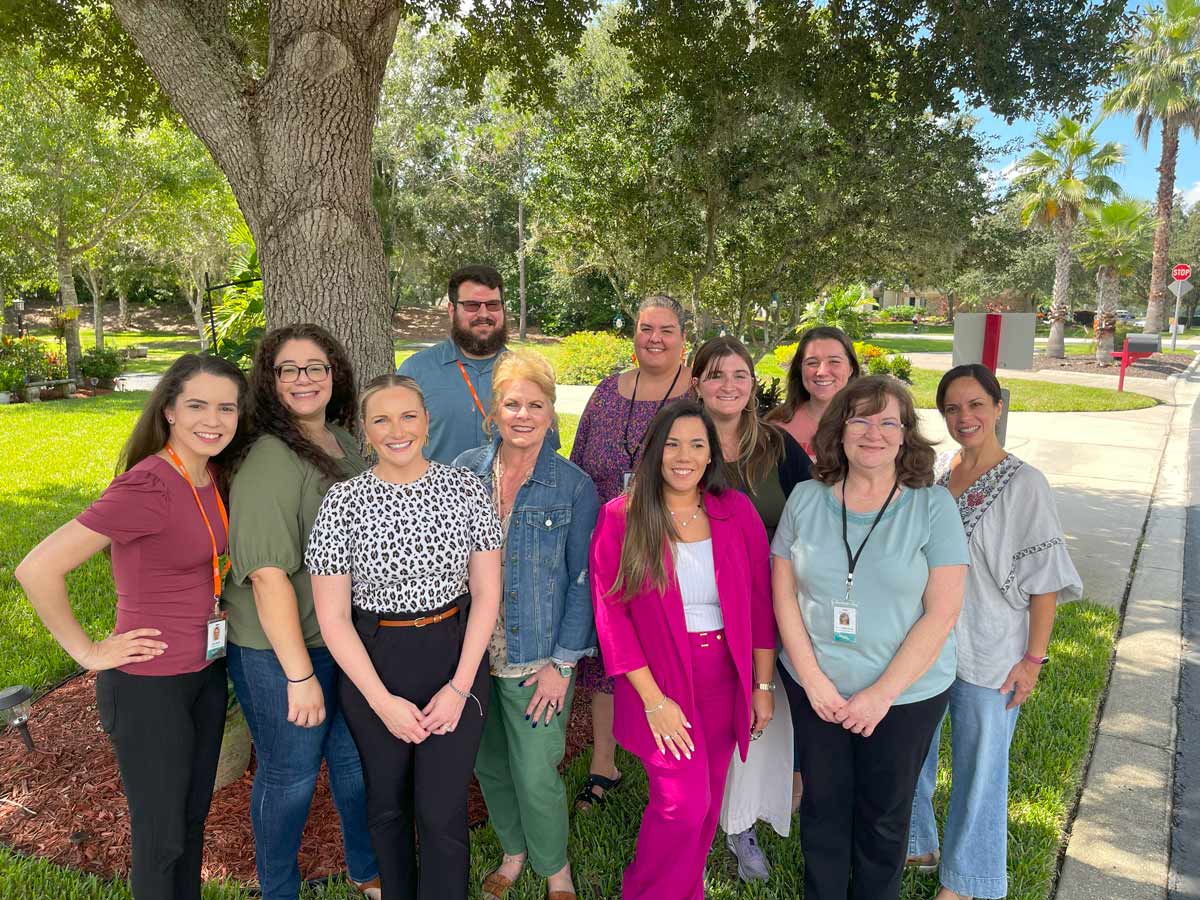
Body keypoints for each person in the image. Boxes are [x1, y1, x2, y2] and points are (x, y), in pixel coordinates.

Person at [15, 354, 248, 900]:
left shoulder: (211, 475)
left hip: (205, 674)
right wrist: (88, 651)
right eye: (196, 405)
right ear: (168, 409)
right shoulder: (148, 485)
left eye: (226, 408)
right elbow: (37, 568)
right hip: (150, 687)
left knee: (192, 825)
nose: (212, 419)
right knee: (161, 838)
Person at [772, 375, 969, 900]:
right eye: (860, 418)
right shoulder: (807, 500)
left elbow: (943, 612)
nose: (873, 432)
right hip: (818, 690)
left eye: (889, 421)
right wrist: (813, 683)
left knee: (884, 818)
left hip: (906, 696)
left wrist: (880, 696)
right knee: (823, 809)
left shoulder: (933, 507)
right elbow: (784, 595)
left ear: (906, 435)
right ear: (840, 429)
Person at [307, 374, 502, 900]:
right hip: (376, 663)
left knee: (440, 810)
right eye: (382, 420)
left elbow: (486, 594)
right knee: (388, 805)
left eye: (408, 416)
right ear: (365, 431)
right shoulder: (342, 503)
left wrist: (461, 687)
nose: (398, 430)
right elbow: (333, 618)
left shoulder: (465, 490)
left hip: (453, 655)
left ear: (426, 421)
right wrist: (381, 702)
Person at [907, 364, 1082, 900]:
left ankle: (967, 880)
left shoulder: (1025, 483)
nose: (965, 417)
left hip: (991, 650)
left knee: (980, 772)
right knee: (911, 753)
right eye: (953, 408)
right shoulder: (938, 470)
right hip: (926, 647)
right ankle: (917, 842)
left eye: (976, 405)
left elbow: (1045, 581)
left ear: (997, 407)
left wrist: (1033, 659)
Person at [590, 400, 776, 900]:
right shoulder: (623, 517)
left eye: (697, 444)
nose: (683, 456)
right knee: (682, 805)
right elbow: (613, 617)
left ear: (712, 455)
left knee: (708, 802)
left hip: (725, 675)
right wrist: (654, 701)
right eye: (672, 444)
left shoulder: (735, 512)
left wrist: (761, 686)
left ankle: (684, 891)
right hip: (660, 678)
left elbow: (760, 606)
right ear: (654, 451)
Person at [221, 325, 379, 899]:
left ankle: (367, 869)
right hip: (280, 650)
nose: (303, 379)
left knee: (355, 765)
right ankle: (278, 889)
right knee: (289, 777)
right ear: (271, 381)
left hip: (342, 640)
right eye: (288, 369)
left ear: (334, 374)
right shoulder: (269, 457)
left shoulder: (345, 441)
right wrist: (299, 675)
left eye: (315, 367)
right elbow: (266, 577)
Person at [454, 351, 600, 900]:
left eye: (535, 404)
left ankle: (553, 867)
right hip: (470, 657)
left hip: (535, 659)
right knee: (489, 766)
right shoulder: (463, 472)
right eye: (512, 404)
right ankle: (514, 852)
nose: (523, 414)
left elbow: (584, 580)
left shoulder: (572, 486)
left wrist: (563, 665)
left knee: (537, 775)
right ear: (495, 410)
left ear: (550, 410)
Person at [689, 336, 810, 882]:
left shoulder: (779, 449)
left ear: (752, 383)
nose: (729, 385)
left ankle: (742, 823)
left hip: (768, 605)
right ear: (697, 384)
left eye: (739, 375)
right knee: (704, 716)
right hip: (698, 609)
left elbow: (813, 516)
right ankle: (695, 812)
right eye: (716, 375)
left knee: (763, 713)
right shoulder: (679, 440)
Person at [569, 293, 693, 811]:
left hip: (677, 546)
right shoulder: (605, 393)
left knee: (674, 652)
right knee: (607, 658)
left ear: (684, 336)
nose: (655, 338)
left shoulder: (700, 396)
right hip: (608, 546)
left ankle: (678, 755)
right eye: (646, 328)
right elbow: (577, 466)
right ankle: (604, 762)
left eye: (666, 328)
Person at [397, 265, 508, 463]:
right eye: (472, 305)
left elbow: (545, 452)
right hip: (434, 493)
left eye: (493, 305)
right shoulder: (415, 373)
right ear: (451, 310)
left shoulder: (528, 373)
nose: (484, 314)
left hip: (510, 494)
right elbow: (395, 449)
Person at [767, 326, 861, 459]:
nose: (822, 372)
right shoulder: (777, 427)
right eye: (812, 363)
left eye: (834, 362)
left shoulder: (870, 424)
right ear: (800, 369)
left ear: (851, 368)